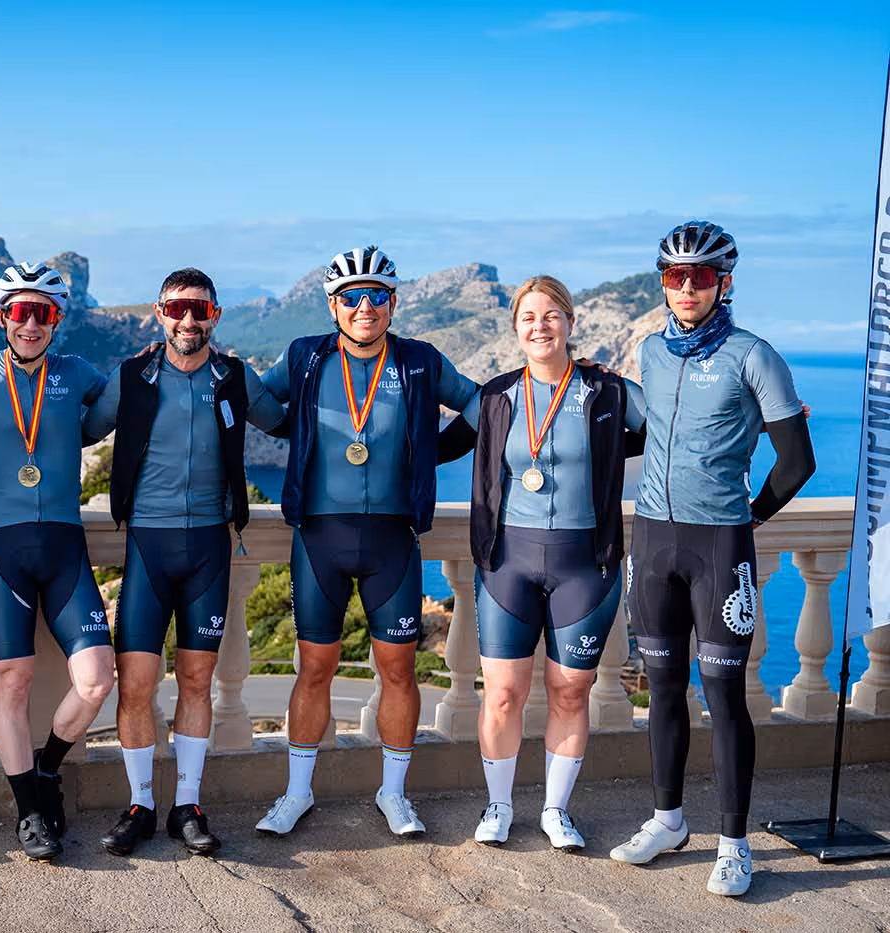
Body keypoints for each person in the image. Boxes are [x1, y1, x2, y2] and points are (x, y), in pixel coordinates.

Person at [608, 221, 815, 896]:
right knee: (662, 687)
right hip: (652, 539)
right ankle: (667, 821)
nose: (687, 288)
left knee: (724, 695)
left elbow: (797, 460)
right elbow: (649, 432)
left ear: (724, 282)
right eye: (675, 276)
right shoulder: (651, 351)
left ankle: (734, 844)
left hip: (719, 545)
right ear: (663, 284)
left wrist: (751, 516)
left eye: (699, 277)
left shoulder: (754, 355)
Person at [255, 246, 480, 838]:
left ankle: (394, 794)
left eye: (376, 295)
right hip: (319, 538)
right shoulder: (305, 356)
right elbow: (253, 399)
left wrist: (434, 450)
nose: (364, 306)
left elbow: (484, 404)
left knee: (399, 670)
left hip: (391, 540)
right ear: (333, 305)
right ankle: (297, 793)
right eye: (351, 296)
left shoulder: (420, 362)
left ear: (392, 303)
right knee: (314, 669)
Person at [436, 275, 647, 852]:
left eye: (552, 315)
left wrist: (762, 418)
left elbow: (678, 429)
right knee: (502, 692)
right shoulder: (496, 397)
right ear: (515, 328)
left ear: (571, 322)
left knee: (570, 691)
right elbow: (434, 448)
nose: (540, 326)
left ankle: (556, 810)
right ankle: (499, 806)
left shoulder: (609, 392)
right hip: (508, 561)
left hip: (586, 563)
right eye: (528, 317)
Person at [83, 268, 285, 856]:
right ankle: (140, 805)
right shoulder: (133, 376)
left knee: (197, 681)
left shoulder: (234, 378)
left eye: (200, 308)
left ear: (215, 315)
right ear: (159, 313)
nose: (188, 319)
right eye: (177, 308)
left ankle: (187, 806)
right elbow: (80, 428)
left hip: (208, 550)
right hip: (149, 545)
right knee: (136, 685)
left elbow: (286, 421)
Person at [0, 262, 115, 861]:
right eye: (19, 311)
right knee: (11, 681)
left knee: (96, 680)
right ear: (2, 317)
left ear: (57, 319)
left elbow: (113, 411)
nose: (30, 323)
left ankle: (46, 769)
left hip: (64, 544)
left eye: (42, 312)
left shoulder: (78, 373)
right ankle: (30, 812)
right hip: (1, 546)